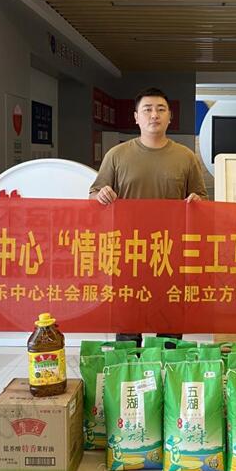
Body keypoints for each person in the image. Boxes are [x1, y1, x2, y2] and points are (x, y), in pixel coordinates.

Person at [89, 87, 208, 347]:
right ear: (136, 117)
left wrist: (196, 202)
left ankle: (169, 368)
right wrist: (101, 195)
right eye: (147, 109)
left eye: (160, 109)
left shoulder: (186, 157)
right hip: (128, 252)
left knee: (170, 320)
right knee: (128, 321)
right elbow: (94, 194)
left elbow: (201, 198)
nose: (154, 115)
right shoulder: (117, 155)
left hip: (170, 252)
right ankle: (129, 369)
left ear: (170, 117)